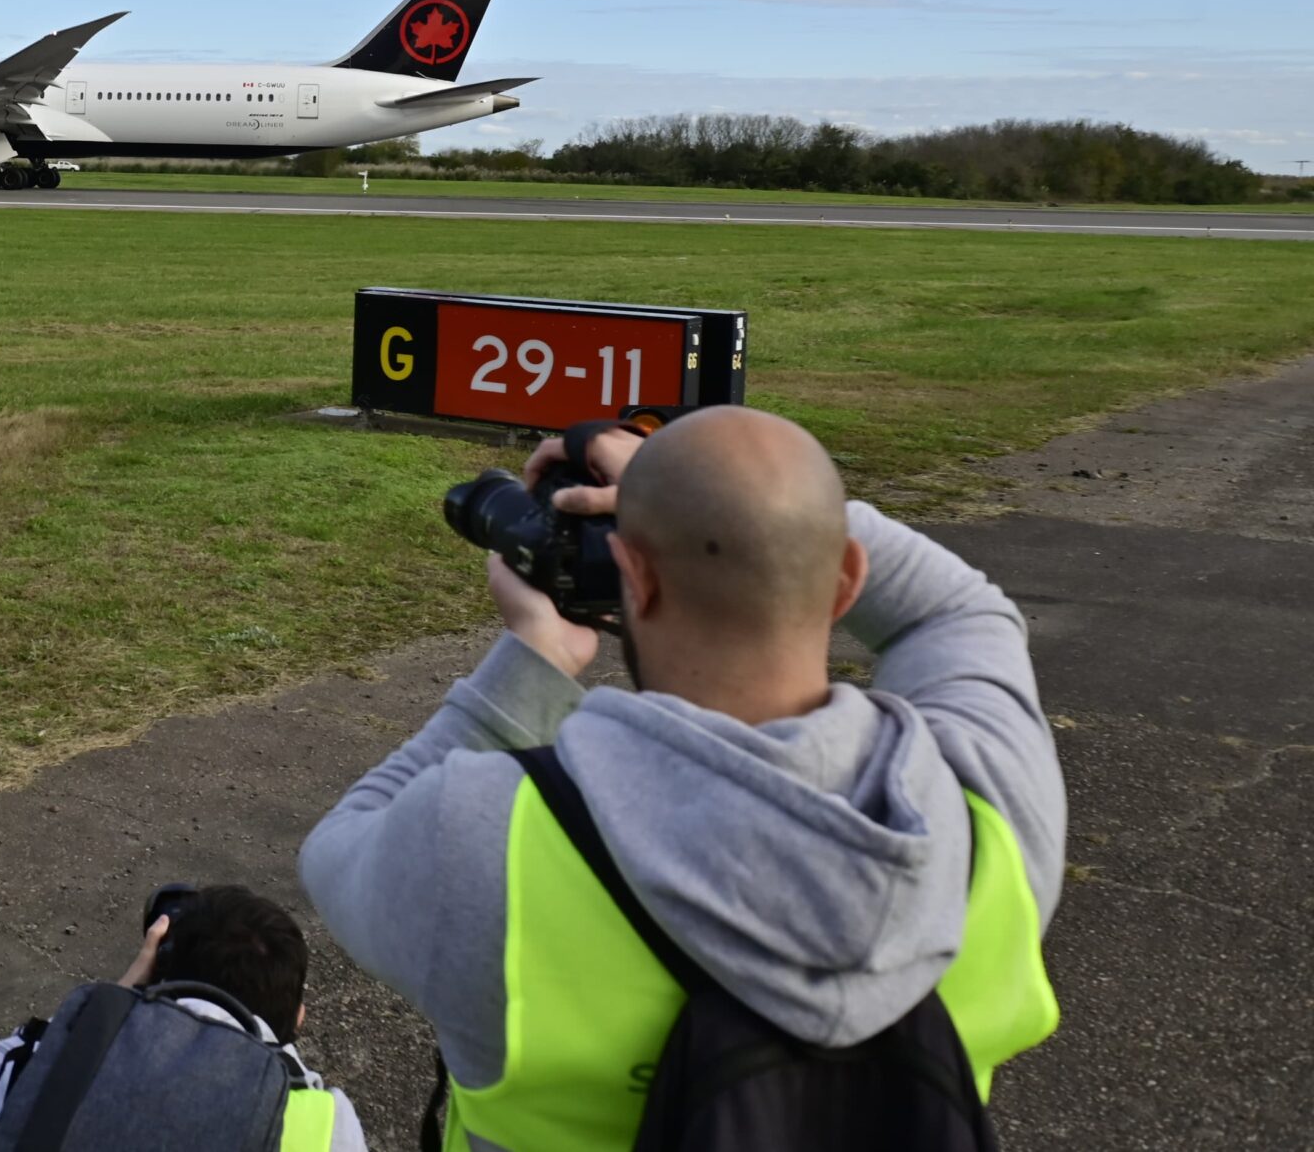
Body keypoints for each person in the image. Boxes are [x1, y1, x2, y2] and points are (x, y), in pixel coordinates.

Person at [300, 407, 1065, 1152]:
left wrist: (534, 661)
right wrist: (760, 511)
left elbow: (338, 844)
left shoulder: (483, 838)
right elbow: (959, 610)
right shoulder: (989, 805)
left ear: (634, 574)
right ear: (846, 578)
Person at [0, 884, 366, 1152]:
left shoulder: (68, 1067)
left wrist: (108, 1006)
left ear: (155, 970)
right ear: (299, 1017)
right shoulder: (328, 1125)